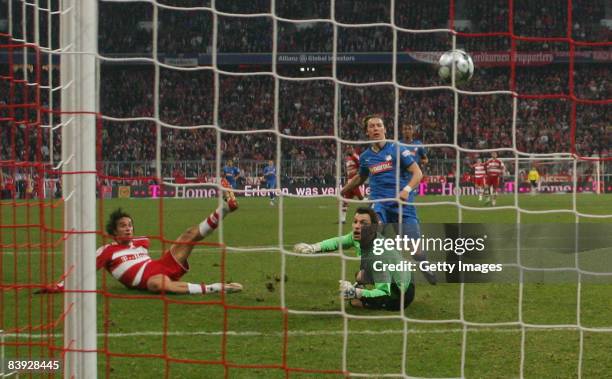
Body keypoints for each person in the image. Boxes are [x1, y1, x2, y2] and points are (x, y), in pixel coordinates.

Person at [38, 179, 243, 295]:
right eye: (123, 226)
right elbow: (85, 270)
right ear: (114, 232)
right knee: (157, 286)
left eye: (130, 225)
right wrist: (59, 287)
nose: (128, 229)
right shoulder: (107, 251)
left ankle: (225, 208)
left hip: (161, 264)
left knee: (189, 235)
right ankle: (217, 288)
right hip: (150, 279)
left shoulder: (141, 242)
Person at [340, 115, 436, 285]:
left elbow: (418, 173)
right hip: (379, 204)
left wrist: (406, 190)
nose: (376, 128)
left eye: (379, 125)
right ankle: (366, 274)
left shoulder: (397, 148)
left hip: (402, 204)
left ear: (385, 129)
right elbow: (360, 177)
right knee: (371, 237)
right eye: (372, 126)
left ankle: (425, 265)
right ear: (367, 132)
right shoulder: (365, 157)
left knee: (415, 250)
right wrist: (343, 190)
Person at [294, 207, 415, 310]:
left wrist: (354, 293)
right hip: (399, 276)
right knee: (360, 276)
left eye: (363, 223)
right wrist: (314, 247)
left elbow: (383, 292)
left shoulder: (379, 256)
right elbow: (338, 242)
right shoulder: (360, 237)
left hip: (400, 294)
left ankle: (365, 298)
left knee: (355, 302)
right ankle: (361, 292)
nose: (357, 226)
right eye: (355, 221)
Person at [341, 145, 364, 223]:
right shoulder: (348, 159)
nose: (348, 150)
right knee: (345, 201)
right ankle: (342, 219)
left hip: (354, 182)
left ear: (352, 149)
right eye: (347, 149)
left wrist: (358, 172)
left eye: (349, 149)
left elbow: (361, 165)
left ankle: (374, 210)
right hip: (349, 182)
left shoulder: (355, 156)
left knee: (362, 199)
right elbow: (348, 171)